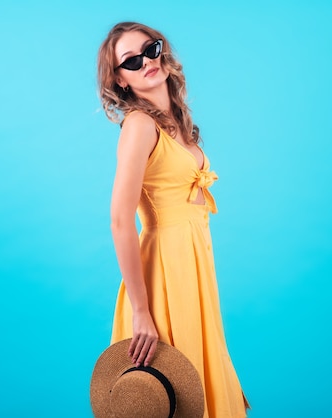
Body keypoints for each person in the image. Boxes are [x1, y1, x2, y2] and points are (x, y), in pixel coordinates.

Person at [97, 22, 249, 417]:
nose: (146, 61)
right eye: (131, 61)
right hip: (166, 270)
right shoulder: (140, 125)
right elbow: (119, 220)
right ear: (120, 79)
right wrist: (141, 310)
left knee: (198, 376)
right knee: (173, 391)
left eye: (151, 49)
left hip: (193, 265)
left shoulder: (174, 122)